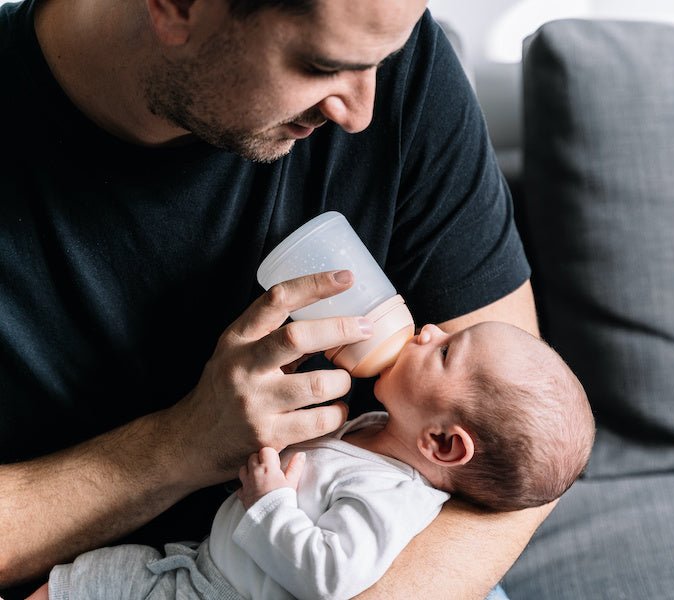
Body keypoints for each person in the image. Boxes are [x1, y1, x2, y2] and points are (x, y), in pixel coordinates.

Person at [0, 0, 551, 597]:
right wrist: (182, 445)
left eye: (380, 62)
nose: (360, 113)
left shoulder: (390, 58)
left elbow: (524, 456)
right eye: (320, 65)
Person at [27, 322, 595, 600]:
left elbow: (330, 573)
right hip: (197, 567)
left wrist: (270, 503)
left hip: (224, 595)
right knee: (88, 579)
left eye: (446, 350)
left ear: (443, 444)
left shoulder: (391, 498)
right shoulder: (377, 429)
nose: (429, 329)